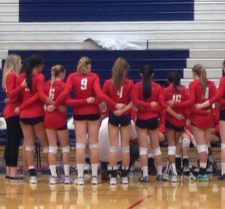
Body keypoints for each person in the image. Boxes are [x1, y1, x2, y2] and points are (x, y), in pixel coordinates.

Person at [47, 56, 122, 185]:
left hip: (79, 113)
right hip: (93, 113)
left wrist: (54, 104)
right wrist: (114, 104)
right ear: (88, 66)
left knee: (80, 145)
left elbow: (65, 95)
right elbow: (100, 95)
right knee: (94, 145)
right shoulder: (94, 77)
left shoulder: (72, 77)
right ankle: (94, 177)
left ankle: (80, 177)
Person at [44, 65, 95, 184]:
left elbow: (43, 100)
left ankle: (53, 177)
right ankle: (66, 176)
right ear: (62, 73)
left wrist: (48, 106)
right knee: (65, 148)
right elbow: (66, 105)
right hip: (59, 119)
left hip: (48, 118)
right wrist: (59, 107)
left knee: (52, 148)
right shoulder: (63, 85)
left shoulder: (46, 85)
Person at [15, 55, 51, 184]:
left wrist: (21, 107)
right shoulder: (39, 77)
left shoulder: (20, 78)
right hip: (37, 114)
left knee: (28, 145)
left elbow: (16, 96)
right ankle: (53, 173)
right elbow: (39, 96)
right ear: (39, 65)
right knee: (45, 144)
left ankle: (32, 174)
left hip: (23, 116)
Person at [180, 64, 217, 181]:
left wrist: (180, 105)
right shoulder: (211, 84)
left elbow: (191, 102)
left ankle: (202, 172)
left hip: (197, 118)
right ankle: (204, 170)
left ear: (195, 74)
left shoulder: (193, 84)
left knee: (201, 146)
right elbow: (214, 101)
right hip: (209, 117)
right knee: (205, 146)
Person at [103, 57, 134, 185]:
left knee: (113, 147)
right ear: (125, 70)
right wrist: (123, 109)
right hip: (125, 115)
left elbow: (104, 101)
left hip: (113, 115)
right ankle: (125, 176)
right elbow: (133, 102)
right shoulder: (130, 83)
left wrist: (115, 106)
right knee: (125, 148)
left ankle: (113, 176)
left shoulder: (108, 83)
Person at [131, 65, 164, 182]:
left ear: (140, 74)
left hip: (141, 119)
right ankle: (160, 174)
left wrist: (145, 106)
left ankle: (145, 175)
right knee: (156, 148)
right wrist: (151, 105)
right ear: (153, 75)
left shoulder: (136, 86)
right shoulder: (158, 87)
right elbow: (161, 103)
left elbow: (135, 101)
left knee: (143, 149)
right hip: (153, 119)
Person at [161, 72, 189, 182]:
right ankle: (168, 170)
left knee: (171, 147)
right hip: (180, 121)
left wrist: (175, 114)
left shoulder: (165, 90)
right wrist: (181, 115)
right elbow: (188, 104)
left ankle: (174, 173)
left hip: (171, 120)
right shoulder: (185, 90)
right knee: (173, 147)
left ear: (169, 81)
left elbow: (164, 105)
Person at [2, 54, 25, 180]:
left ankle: (9, 171)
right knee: (13, 143)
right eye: (20, 61)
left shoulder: (9, 75)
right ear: (16, 62)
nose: (21, 64)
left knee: (11, 142)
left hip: (11, 110)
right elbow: (11, 94)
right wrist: (22, 86)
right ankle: (12, 172)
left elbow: (9, 96)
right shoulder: (12, 75)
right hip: (13, 112)